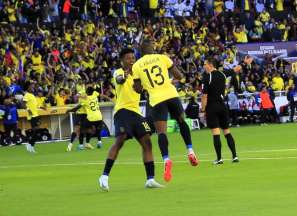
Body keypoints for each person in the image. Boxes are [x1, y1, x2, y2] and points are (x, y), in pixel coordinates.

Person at [132, 39, 198, 182]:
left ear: (141, 52)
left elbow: (138, 90)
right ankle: (190, 151)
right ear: (152, 49)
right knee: (181, 122)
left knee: (161, 132)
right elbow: (179, 76)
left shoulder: (136, 66)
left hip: (156, 99)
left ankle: (166, 159)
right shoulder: (162, 57)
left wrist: (140, 85)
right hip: (171, 94)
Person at [99, 48, 163, 191]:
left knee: (147, 142)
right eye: (128, 58)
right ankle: (104, 176)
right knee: (120, 140)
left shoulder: (138, 73)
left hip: (136, 113)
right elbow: (119, 81)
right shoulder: (119, 72)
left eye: (133, 58)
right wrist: (126, 75)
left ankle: (150, 179)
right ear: (122, 60)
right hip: (122, 111)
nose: (131, 60)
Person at [200, 56, 239, 165]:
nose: (204, 66)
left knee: (216, 133)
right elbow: (235, 69)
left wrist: (203, 109)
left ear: (211, 65)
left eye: (205, 64)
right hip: (222, 106)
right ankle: (235, 156)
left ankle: (219, 158)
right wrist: (244, 63)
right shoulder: (222, 74)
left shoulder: (207, 77)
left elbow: (204, 96)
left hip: (212, 107)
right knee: (227, 131)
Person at [66, 86, 104, 150]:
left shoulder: (92, 93)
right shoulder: (82, 92)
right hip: (80, 114)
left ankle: (87, 143)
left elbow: (99, 95)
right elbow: (76, 96)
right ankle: (70, 144)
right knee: (77, 129)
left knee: (88, 130)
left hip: (87, 114)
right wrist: (80, 96)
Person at [22, 82, 43, 153]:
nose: (32, 87)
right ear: (28, 88)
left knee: (37, 132)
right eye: (31, 86)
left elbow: (35, 105)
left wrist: (41, 107)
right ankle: (29, 145)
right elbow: (23, 103)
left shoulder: (32, 95)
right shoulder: (27, 95)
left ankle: (30, 145)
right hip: (32, 116)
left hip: (36, 115)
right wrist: (28, 110)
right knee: (36, 131)